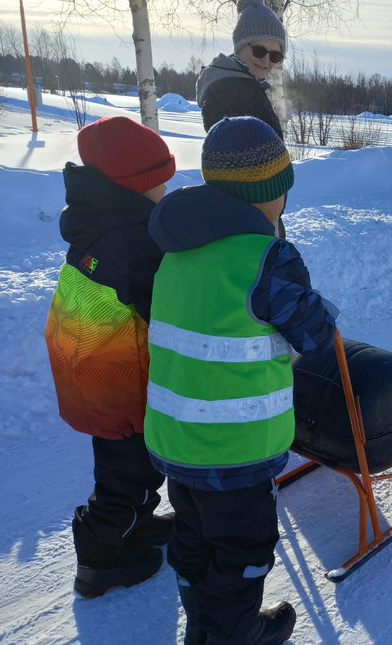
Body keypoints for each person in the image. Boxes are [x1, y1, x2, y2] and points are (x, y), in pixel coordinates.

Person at [144, 116, 337, 644]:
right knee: (243, 547)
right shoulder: (266, 258)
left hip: (175, 438)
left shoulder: (176, 245)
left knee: (193, 534)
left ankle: (202, 625)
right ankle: (235, 633)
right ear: (268, 194)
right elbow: (314, 334)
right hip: (235, 447)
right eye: (282, 194)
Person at [43, 116, 177, 599]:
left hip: (87, 363)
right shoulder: (134, 240)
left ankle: (134, 525)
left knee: (118, 459)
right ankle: (100, 558)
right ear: (137, 185)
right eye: (161, 179)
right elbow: (166, 306)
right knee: (136, 469)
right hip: (117, 376)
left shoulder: (97, 217)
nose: (168, 186)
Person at [196, 0, 287, 138]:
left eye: (275, 55)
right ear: (240, 47)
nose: (266, 61)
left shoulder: (249, 85)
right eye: (259, 51)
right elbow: (230, 153)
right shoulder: (227, 89)